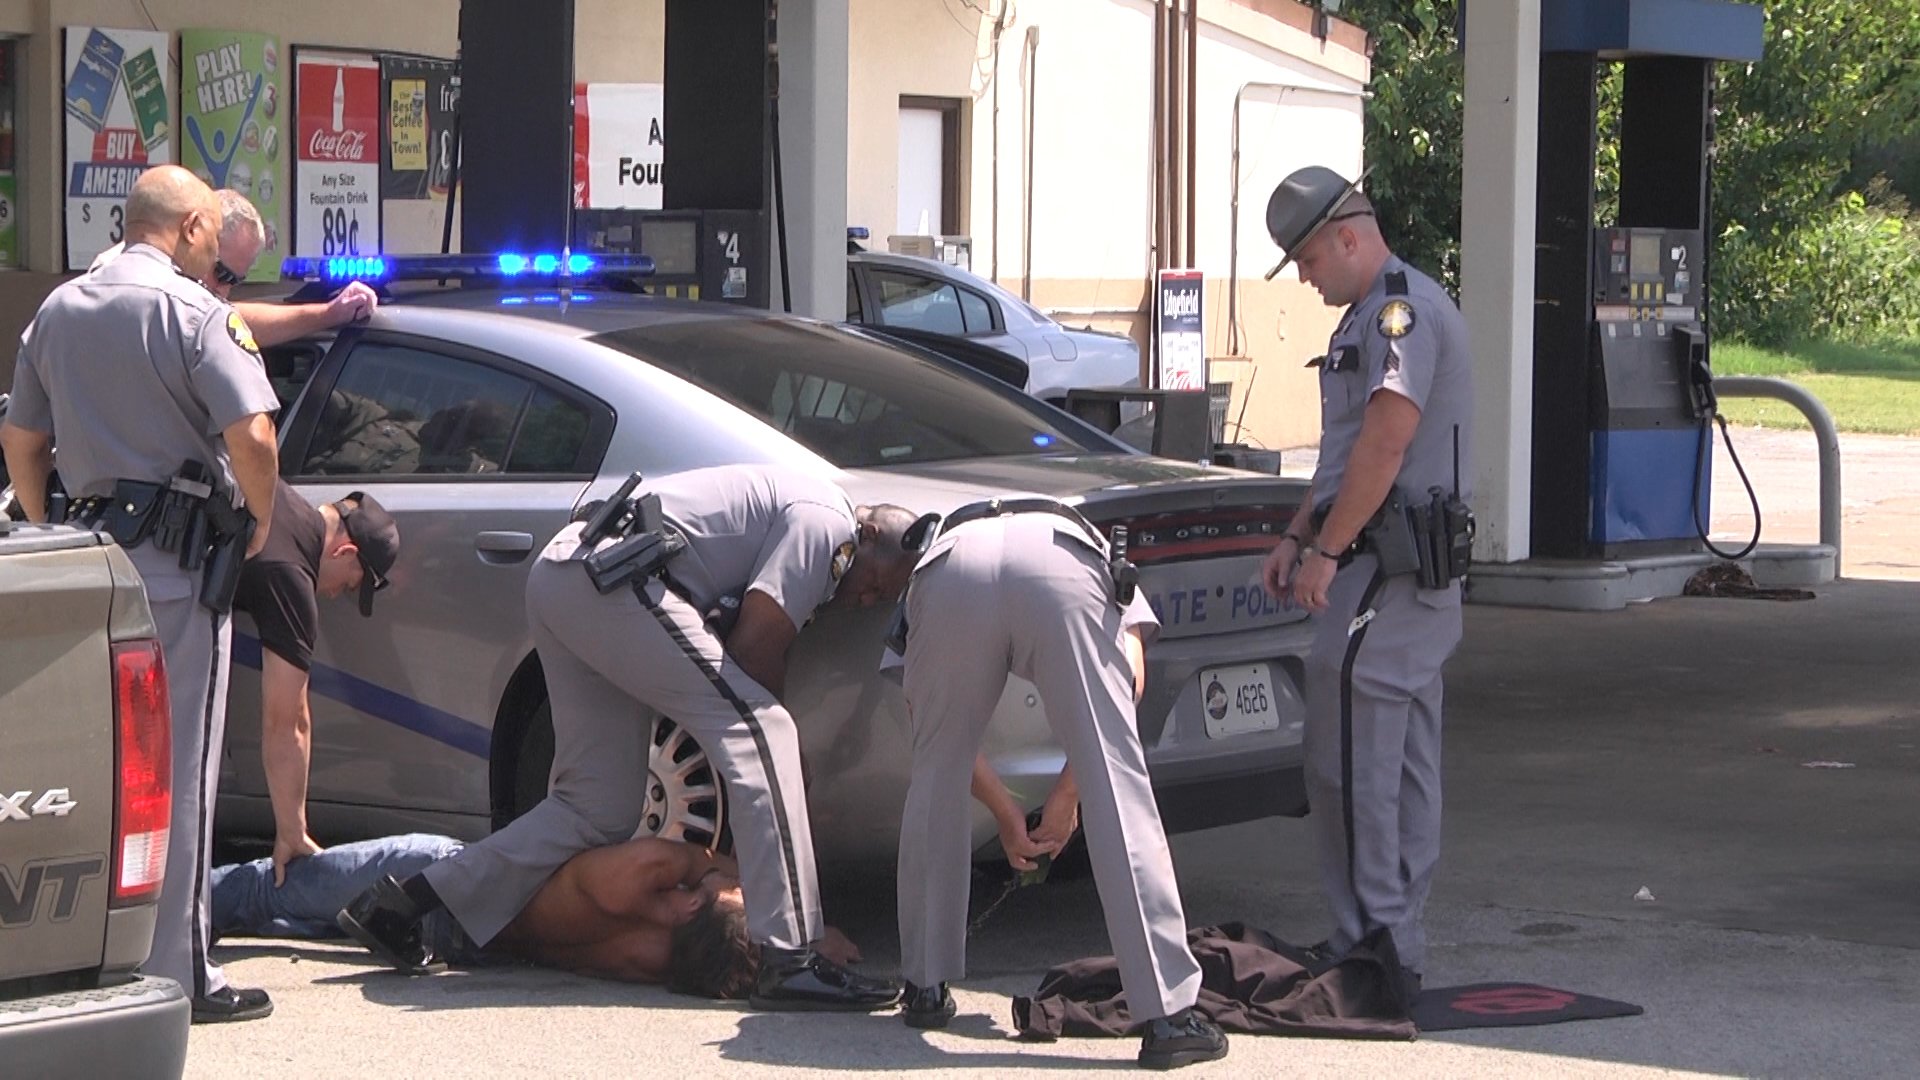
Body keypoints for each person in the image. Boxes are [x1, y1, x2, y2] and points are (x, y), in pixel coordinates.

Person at [339, 464, 922, 1012]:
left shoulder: (811, 514)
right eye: (874, 582)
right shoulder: (828, 522)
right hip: (613, 577)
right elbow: (759, 640)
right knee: (766, 732)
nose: (866, 599)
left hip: (569, 576)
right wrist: (784, 760)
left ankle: (403, 904)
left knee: (594, 808)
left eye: (879, 600)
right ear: (866, 535)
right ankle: (792, 958)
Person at [0, 165, 283, 1023]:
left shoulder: (59, 308)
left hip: (89, 568)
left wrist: (54, 528)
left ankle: (86, 952)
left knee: (95, 776)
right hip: (176, 571)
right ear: (196, 225)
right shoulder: (194, 311)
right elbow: (255, 435)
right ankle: (181, 974)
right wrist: (263, 521)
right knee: (179, 776)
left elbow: (22, 439)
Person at [885, 499, 1230, 1070]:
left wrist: (1007, 811)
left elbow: (929, 729)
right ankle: (1169, 1020)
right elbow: (1130, 688)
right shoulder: (1095, 550)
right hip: (1061, 562)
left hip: (950, 568)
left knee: (933, 777)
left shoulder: (931, 558)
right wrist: (1070, 796)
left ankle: (923, 988)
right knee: (1119, 785)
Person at [1257, 166, 1474, 998]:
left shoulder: (1397, 312)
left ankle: (1370, 941)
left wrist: (1327, 552)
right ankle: (1391, 939)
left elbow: (1388, 438)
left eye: (1308, 261)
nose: (1306, 280)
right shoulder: (1370, 315)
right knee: (1400, 754)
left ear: (1348, 237)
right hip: (1390, 567)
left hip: (1389, 569)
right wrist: (1298, 531)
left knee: (1353, 757)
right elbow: (1346, 448)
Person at [211, 834, 861, 997]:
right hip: (462, 934)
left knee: (275, 893)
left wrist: (798, 923)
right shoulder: (660, 964)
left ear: (694, 901)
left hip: (440, 887)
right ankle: (190, 913)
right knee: (283, 916)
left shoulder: (641, 874)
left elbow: (724, 868)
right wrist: (805, 943)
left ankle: (169, 907)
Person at [231, 480, 401, 885]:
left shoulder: (279, 492)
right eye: (349, 583)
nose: (335, 593)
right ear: (346, 551)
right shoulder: (292, 580)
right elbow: (288, 723)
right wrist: (292, 830)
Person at [91, 188, 377, 347]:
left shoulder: (186, 294)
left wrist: (331, 313)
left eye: (234, 281)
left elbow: (228, 318)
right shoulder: (128, 272)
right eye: (222, 273)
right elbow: (226, 321)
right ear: (196, 235)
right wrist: (328, 313)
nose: (223, 290)